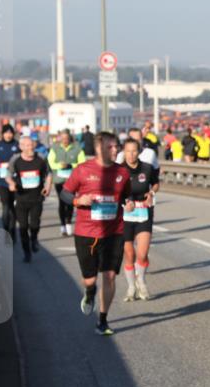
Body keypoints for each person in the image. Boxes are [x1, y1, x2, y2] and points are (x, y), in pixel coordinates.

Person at [59, 132, 132, 336]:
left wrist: (129, 202)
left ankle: (102, 320)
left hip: (114, 232)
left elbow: (126, 195)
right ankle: (90, 291)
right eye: (111, 147)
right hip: (86, 233)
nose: (115, 150)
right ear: (99, 148)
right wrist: (78, 201)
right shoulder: (83, 170)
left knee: (109, 276)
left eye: (117, 146)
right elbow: (65, 193)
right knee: (90, 280)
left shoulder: (122, 172)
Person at [119, 138, 160, 302]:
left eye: (134, 151)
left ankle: (141, 281)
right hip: (125, 215)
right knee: (129, 254)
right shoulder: (119, 170)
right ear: (124, 152)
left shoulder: (147, 168)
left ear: (139, 151)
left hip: (143, 212)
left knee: (142, 254)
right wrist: (124, 202)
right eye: (128, 151)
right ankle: (131, 287)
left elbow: (156, 184)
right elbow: (114, 191)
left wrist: (151, 193)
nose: (131, 154)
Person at [7, 136, 52, 262]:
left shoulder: (41, 158)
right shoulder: (15, 159)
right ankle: (27, 252)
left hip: (37, 198)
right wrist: (11, 183)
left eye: (31, 144)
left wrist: (48, 187)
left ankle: (34, 239)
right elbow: (8, 174)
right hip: (21, 199)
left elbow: (48, 173)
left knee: (34, 224)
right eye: (27, 145)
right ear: (21, 147)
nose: (30, 147)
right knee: (23, 227)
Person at [48, 129, 87, 236]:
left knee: (70, 201)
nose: (65, 140)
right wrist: (60, 166)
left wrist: (70, 165)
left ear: (70, 138)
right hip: (59, 180)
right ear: (59, 138)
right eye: (63, 138)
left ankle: (69, 222)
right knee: (62, 202)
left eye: (67, 138)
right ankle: (62, 225)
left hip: (72, 180)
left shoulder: (77, 148)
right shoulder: (55, 148)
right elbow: (51, 162)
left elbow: (82, 163)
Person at [0, 124, 21, 244]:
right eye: (6, 133)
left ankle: (12, 231)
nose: (8, 135)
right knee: (6, 206)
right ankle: (6, 231)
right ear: (2, 134)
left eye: (10, 133)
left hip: (15, 181)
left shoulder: (17, 145)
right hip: (2, 181)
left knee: (13, 208)